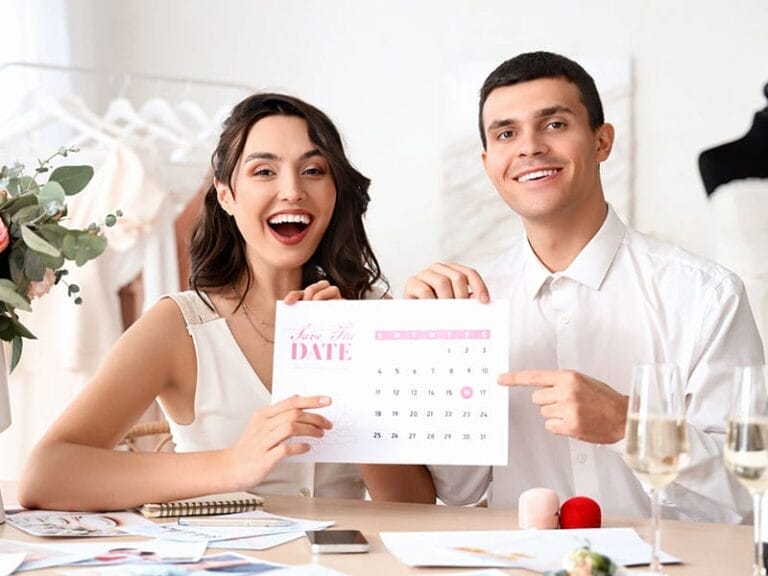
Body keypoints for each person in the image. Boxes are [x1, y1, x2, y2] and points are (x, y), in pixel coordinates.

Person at [17, 93, 428, 511]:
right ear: (226, 194)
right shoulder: (180, 326)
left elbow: (414, 505)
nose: (292, 191)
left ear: (334, 192)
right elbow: (46, 475)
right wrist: (232, 464)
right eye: (264, 171)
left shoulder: (373, 315)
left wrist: (351, 376)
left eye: (313, 170)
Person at [401, 51, 764, 522]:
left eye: (553, 124)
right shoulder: (469, 305)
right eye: (507, 133)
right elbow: (460, 488)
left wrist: (627, 424)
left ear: (601, 141)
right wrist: (427, 354)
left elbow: (746, 494)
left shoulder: (706, 296)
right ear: (490, 164)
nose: (529, 147)